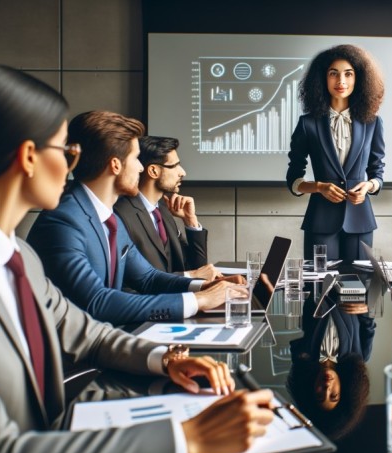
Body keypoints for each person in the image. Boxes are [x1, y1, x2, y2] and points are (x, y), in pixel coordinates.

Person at [0, 63, 274, 453]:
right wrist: (185, 440)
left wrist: (167, 360)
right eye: (66, 151)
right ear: (28, 157)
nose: (72, 165)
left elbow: (86, 331)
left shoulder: (19, 255)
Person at [27, 111, 242, 327]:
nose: (141, 167)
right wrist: (200, 300)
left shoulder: (108, 218)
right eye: (135, 158)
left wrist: (206, 287)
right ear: (115, 165)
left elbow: (148, 278)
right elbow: (97, 302)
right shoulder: (63, 222)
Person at [286, 44, 385, 262]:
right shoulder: (307, 124)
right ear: (322, 79)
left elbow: (377, 172)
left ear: (359, 79)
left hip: (360, 219)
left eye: (348, 74)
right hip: (320, 220)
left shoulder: (373, 123)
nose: (341, 81)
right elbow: (293, 179)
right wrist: (319, 187)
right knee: (320, 287)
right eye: (333, 74)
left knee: (359, 287)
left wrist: (369, 186)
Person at [114, 135, 221, 280]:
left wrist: (191, 222)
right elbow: (132, 283)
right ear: (153, 171)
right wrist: (190, 275)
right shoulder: (121, 214)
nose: (182, 172)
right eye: (174, 166)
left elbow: (198, 270)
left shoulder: (163, 210)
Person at [287, 299, 374, 440]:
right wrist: (364, 309)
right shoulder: (360, 355)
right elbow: (368, 321)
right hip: (351, 282)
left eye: (320, 396)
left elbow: (298, 304)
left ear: (310, 390)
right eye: (334, 395)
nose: (327, 388)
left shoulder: (301, 354)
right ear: (344, 390)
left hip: (313, 282)